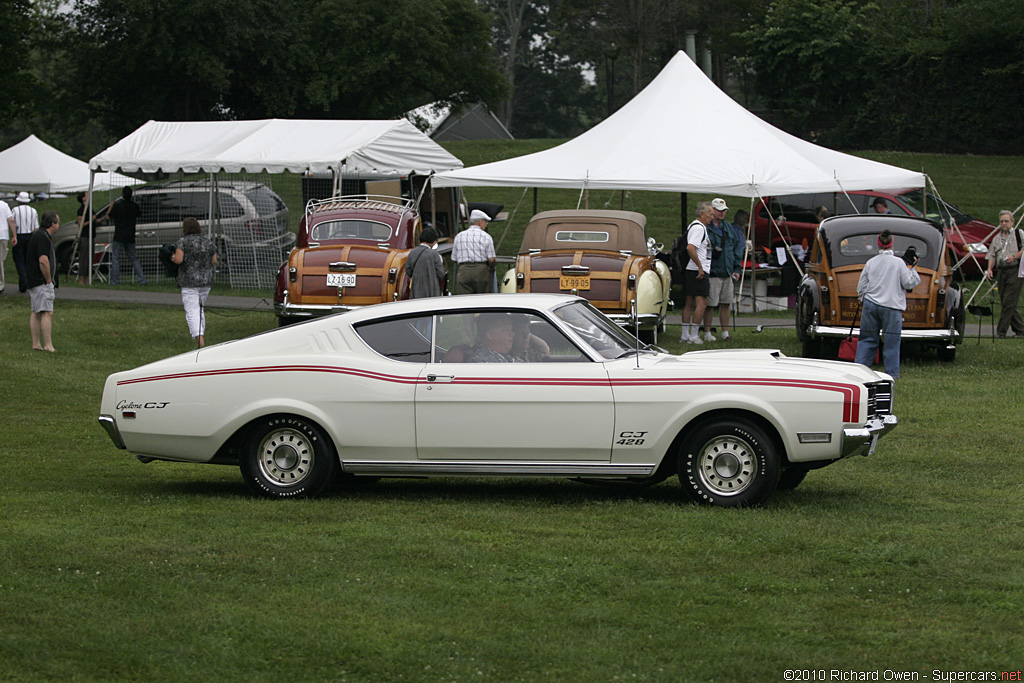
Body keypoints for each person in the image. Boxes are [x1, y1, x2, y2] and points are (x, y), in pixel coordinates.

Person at [855, 229, 920, 378]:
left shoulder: (871, 262)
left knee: (867, 340)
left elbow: (862, 285)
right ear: (892, 244)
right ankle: (891, 374)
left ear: (878, 244)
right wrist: (913, 268)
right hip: (892, 306)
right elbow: (909, 283)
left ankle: (860, 371)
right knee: (892, 343)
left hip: (871, 303)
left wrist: (863, 298)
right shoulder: (899, 263)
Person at [701, 198, 744, 341]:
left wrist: (737, 268)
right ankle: (707, 332)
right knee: (710, 304)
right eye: (719, 210)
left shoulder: (729, 228)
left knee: (726, 303)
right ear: (712, 211)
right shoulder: (706, 228)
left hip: (728, 271)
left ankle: (725, 333)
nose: (722, 213)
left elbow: (737, 248)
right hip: (713, 272)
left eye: (724, 210)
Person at [171, 217, 218, 347]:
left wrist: (173, 258)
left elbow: (179, 260)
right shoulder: (207, 242)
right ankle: (200, 333)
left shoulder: (183, 242)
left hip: (189, 281)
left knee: (192, 310)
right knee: (200, 309)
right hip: (205, 281)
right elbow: (214, 261)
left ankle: (199, 340)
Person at [984, 210, 1024, 338]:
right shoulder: (997, 238)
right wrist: (990, 269)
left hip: (1015, 270)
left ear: (1012, 222)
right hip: (1001, 271)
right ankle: (1021, 330)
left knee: (1008, 302)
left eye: (1007, 221)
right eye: (1002, 221)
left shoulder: (1019, 233)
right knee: (1007, 302)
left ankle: (1001, 332)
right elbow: (992, 255)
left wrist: (1014, 257)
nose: (1004, 223)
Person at [26, 211, 60, 352]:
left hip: (34, 280)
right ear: (52, 224)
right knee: (47, 311)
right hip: (41, 281)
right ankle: (48, 344)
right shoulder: (42, 237)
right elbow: (43, 260)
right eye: (58, 222)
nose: (59, 225)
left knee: (36, 311)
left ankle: (36, 343)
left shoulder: (40, 235)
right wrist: (48, 280)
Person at [679, 201, 713, 344]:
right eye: (710, 214)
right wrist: (700, 267)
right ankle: (693, 335)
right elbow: (690, 248)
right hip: (697, 270)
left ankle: (685, 335)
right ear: (702, 213)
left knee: (690, 302)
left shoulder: (694, 226)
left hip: (691, 270)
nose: (712, 217)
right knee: (701, 303)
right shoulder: (699, 229)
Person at [107, 186, 147, 285]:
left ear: (123, 195)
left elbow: (108, 216)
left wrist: (111, 205)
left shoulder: (118, 206)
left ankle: (115, 281)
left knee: (116, 258)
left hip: (119, 235)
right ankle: (142, 280)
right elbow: (140, 214)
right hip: (130, 235)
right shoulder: (134, 206)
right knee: (133, 258)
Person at [452, 209, 495, 294]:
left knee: (465, 301)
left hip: (463, 271)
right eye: (485, 222)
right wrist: (491, 268)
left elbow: (454, 258)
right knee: (483, 299)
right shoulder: (486, 237)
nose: (486, 225)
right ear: (480, 222)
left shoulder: (459, 236)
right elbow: (491, 259)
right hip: (481, 271)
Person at [404, 228, 446, 298]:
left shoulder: (412, 252)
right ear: (433, 241)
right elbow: (440, 273)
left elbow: (408, 270)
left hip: (416, 286)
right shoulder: (434, 254)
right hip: (431, 287)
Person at [11, 191, 39, 293]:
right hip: (30, 236)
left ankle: (24, 279)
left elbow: (12, 223)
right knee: (28, 260)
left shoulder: (15, 210)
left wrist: (13, 235)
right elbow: (36, 227)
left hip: (19, 235)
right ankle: (23, 283)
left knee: (19, 259)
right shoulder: (33, 211)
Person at [75, 192, 93, 284]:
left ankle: (87, 277)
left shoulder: (90, 208)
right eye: (86, 195)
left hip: (91, 236)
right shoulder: (81, 210)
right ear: (83, 198)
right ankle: (81, 278)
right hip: (85, 236)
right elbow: (80, 224)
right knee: (84, 257)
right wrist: (91, 220)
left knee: (90, 257)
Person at [0, 197, 13, 292]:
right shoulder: (4, 205)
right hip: (3, 235)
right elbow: (11, 220)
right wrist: (14, 235)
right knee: (0, 260)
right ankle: (1, 283)